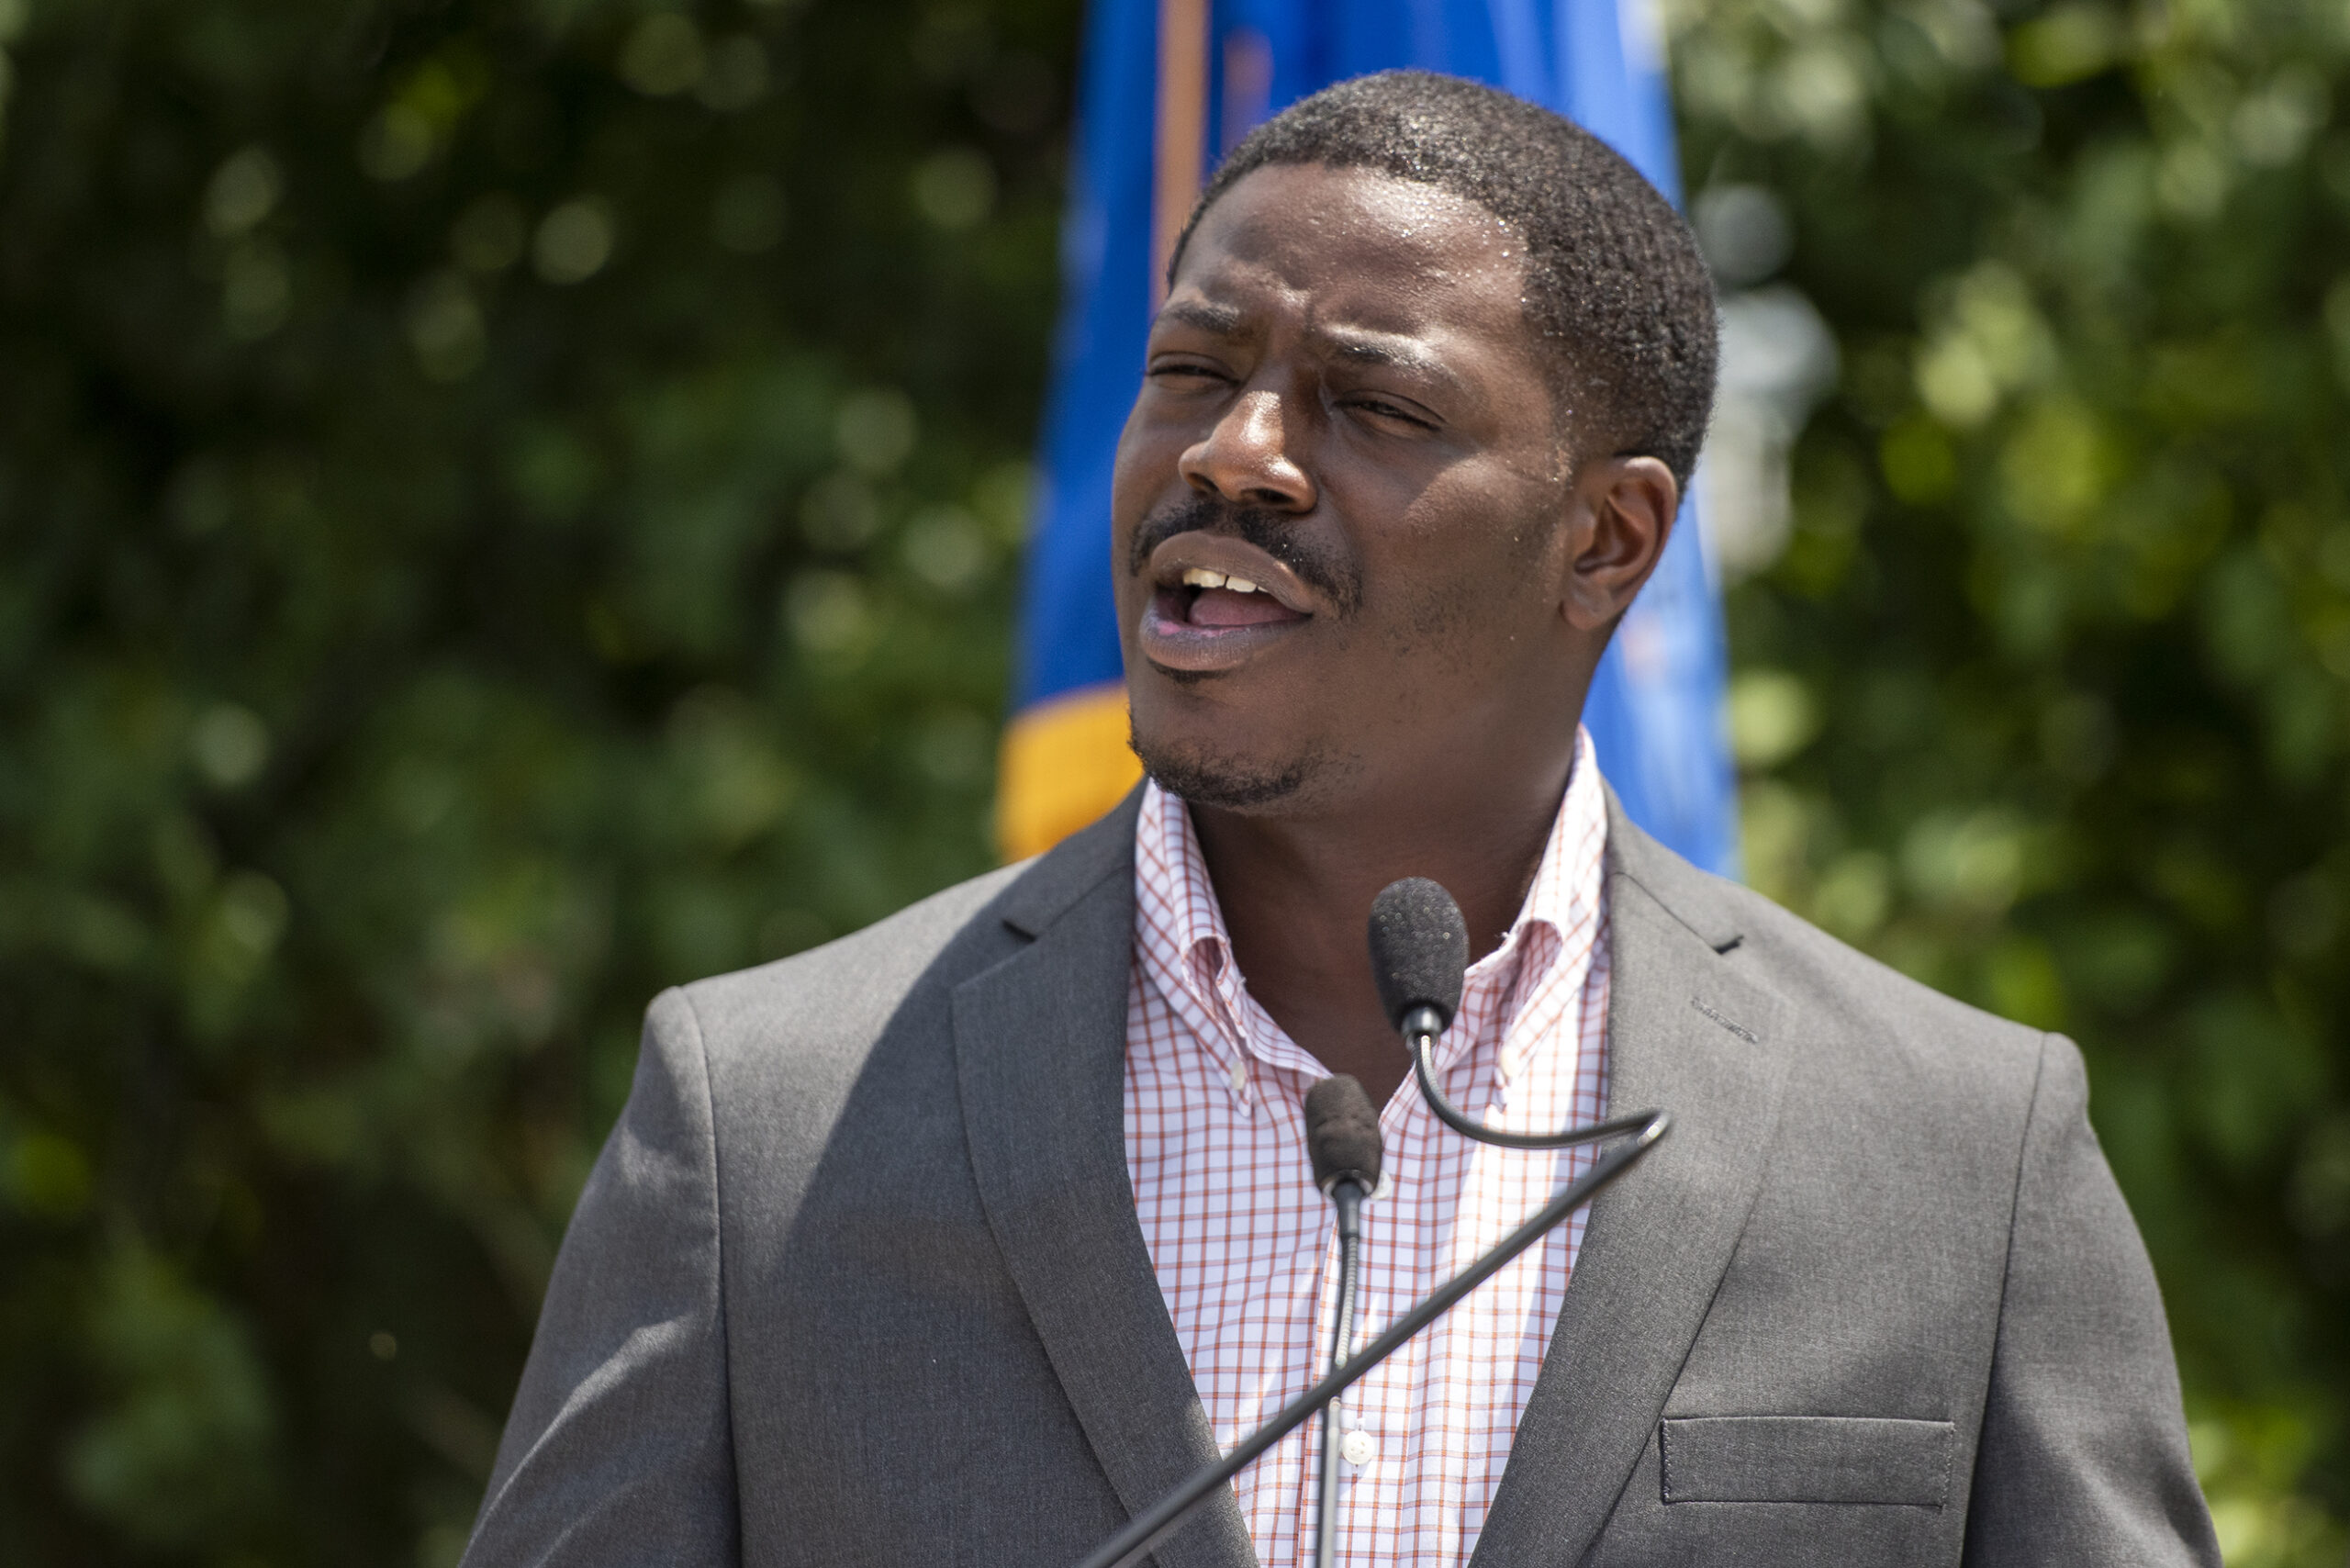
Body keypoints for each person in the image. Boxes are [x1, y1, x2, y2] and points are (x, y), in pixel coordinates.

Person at [460, 72, 2220, 1568]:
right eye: (1190, 369)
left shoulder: (1958, 1160)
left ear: (1606, 540)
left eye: (1371, 406)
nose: (1234, 453)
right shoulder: (765, 1128)